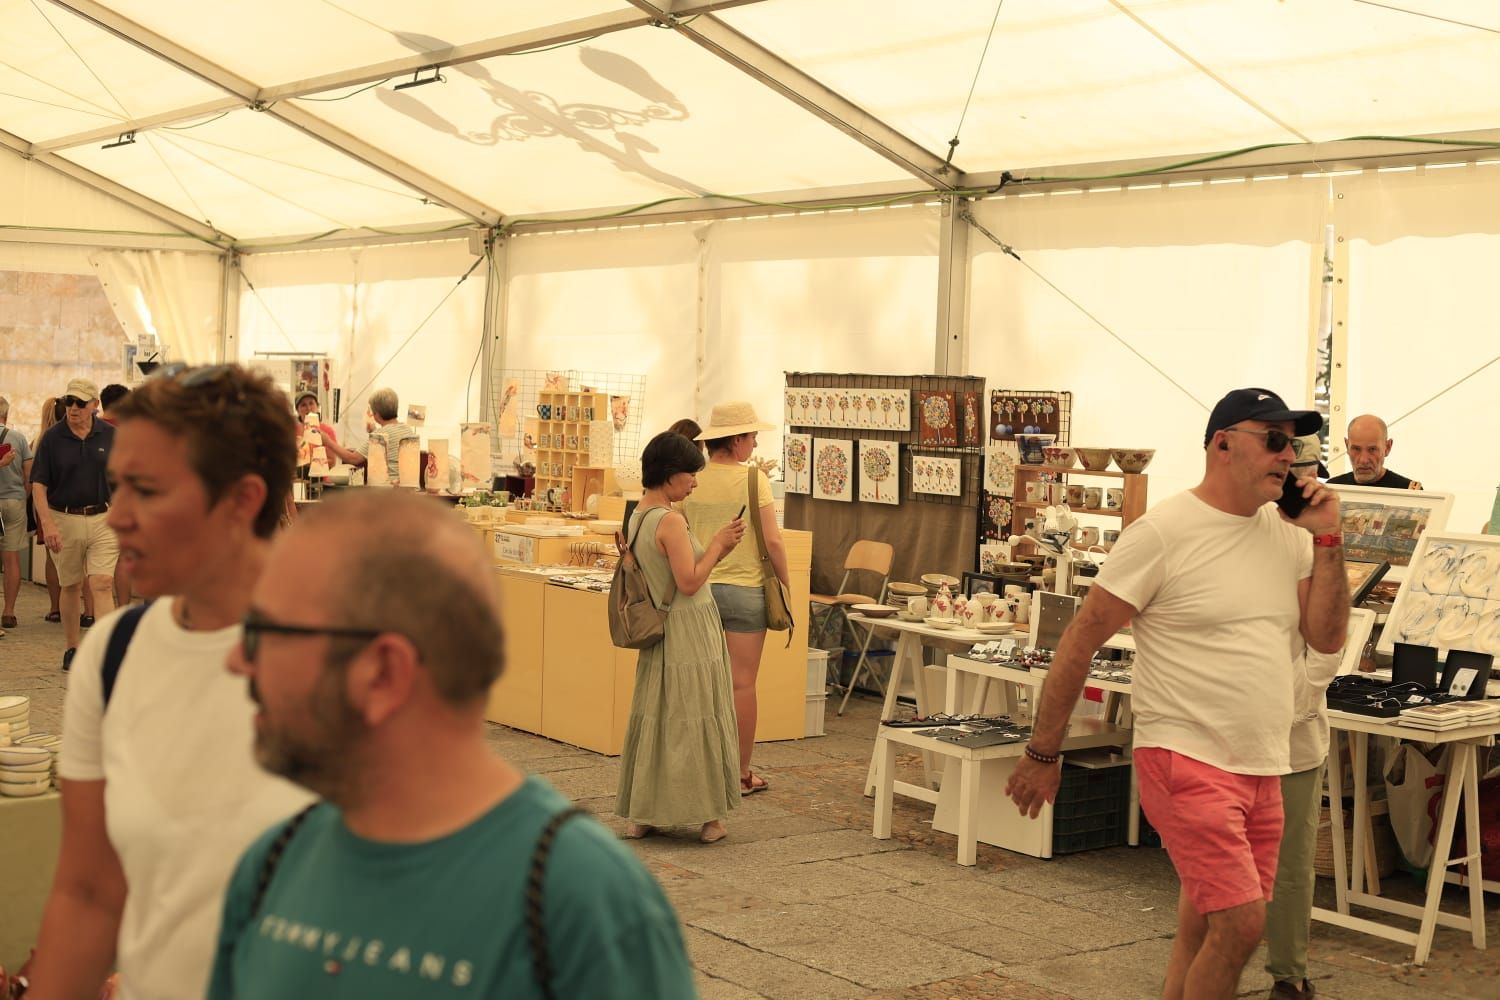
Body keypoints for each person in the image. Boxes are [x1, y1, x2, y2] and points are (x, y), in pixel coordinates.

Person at [209, 490, 696, 999]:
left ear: (384, 673)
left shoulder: (581, 904)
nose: (237, 663)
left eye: (265, 632)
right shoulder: (272, 863)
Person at [1006, 388, 1349, 1000]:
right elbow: (1080, 639)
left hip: (1262, 760)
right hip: (1184, 754)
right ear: (1222, 444)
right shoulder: (1163, 531)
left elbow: (1325, 638)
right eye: (1273, 440)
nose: (1287, 456)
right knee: (1242, 925)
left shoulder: (1289, 533)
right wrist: (1042, 752)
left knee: (1204, 922)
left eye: (1293, 444)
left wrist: (1328, 539)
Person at [29, 364, 311, 1000]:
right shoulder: (113, 652)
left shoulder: (345, 658)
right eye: (116, 487)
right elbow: (87, 891)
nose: (119, 515)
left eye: (148, 491)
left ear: (242, 500)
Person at [616, 431, 744, 843]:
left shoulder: (637, 515)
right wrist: (719, 545)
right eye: (690, 473)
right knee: (698, 715)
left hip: (660, 628)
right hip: (689, 626)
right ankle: (709, 817)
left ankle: (644, 813)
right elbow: (689, 581)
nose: (694, 481)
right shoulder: (671, 520)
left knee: (658, 717)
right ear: (671, 475)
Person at [683, 402, 790, 795]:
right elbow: (774, 540)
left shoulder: (691, 478)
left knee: (699, 684)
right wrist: (786, 584)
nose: (755, 441)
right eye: (751, 435)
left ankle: (697, 768)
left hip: (700, 588)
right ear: (737, 439)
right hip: (746, 591)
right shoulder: (753, 480)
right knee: (742, 685)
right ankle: (740, 774)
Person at [30, 378, 118, 670]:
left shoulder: (110, 435)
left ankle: (105, 651)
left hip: (104, 517)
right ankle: (72, 648)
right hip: (63, 518)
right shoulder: (53, 439)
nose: (74, 408)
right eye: (70, 402)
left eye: (81, 403)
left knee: (102, 583)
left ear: (95, 405)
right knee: (71, 585)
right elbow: (39, 485)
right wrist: (48, 525)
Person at [326, 387, 414, 482]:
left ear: (376, 414)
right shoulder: (407, 429)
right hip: (405, 486)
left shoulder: (379, 435)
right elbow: (389, 443)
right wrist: (374, 431)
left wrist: (327, 441)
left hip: (386, 490)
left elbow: (353, 459)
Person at [0, 394, 34, 631]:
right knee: (11, 558)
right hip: (14, 502)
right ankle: (9, 612)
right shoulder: (19, 438)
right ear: (6, 414)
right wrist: (23, 496)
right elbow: (30, 476)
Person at [1327, 414, 1421, 489]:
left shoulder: (1409, 493)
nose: (1364, 460)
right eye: (1356, 449)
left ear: (1387, 447)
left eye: (1372, 449)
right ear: (1347, 446)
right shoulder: (1332, 489)